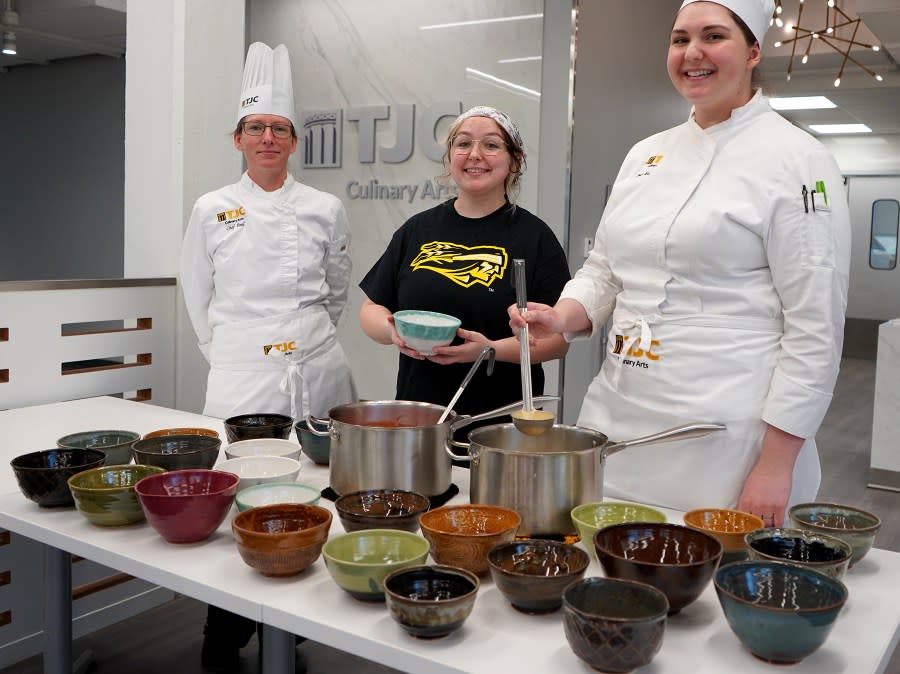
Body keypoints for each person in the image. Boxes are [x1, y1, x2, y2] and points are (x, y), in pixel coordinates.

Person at [511, 0, 850, 528]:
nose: (692, 53)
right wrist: (563, 314)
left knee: (703, 587)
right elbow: (605, 267)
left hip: (725, 433)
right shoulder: (646, 153)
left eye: (713, 36)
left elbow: (816, 327)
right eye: (679, 39)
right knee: (607, 563)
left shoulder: (799, 160)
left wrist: (776, 465)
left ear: (754, 51)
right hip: (620, 413)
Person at [180, 42, 355, 672]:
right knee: (241, 498)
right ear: (238, 138)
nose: (268, 138)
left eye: (279, 128)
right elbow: (196, 294)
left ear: (294, 140)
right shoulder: (210, 209)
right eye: (256, 128)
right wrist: (233, 353)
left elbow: (336, 290)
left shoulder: (323, 207)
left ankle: (298, 623)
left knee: (315, 495)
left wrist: (302, 338)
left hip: (317, 370)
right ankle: (222, 632)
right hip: (242, 378)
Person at [358, 106, 570, 434]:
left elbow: (558, 340)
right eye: (463, 144)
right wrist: (392, 333)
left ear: (514, 160)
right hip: (419, 419)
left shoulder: (535, 238)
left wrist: (490, 350)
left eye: (491, 145)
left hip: (500, 426)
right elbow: (372, 308)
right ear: (449, 157)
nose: (474, 155)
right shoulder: (417, 230)